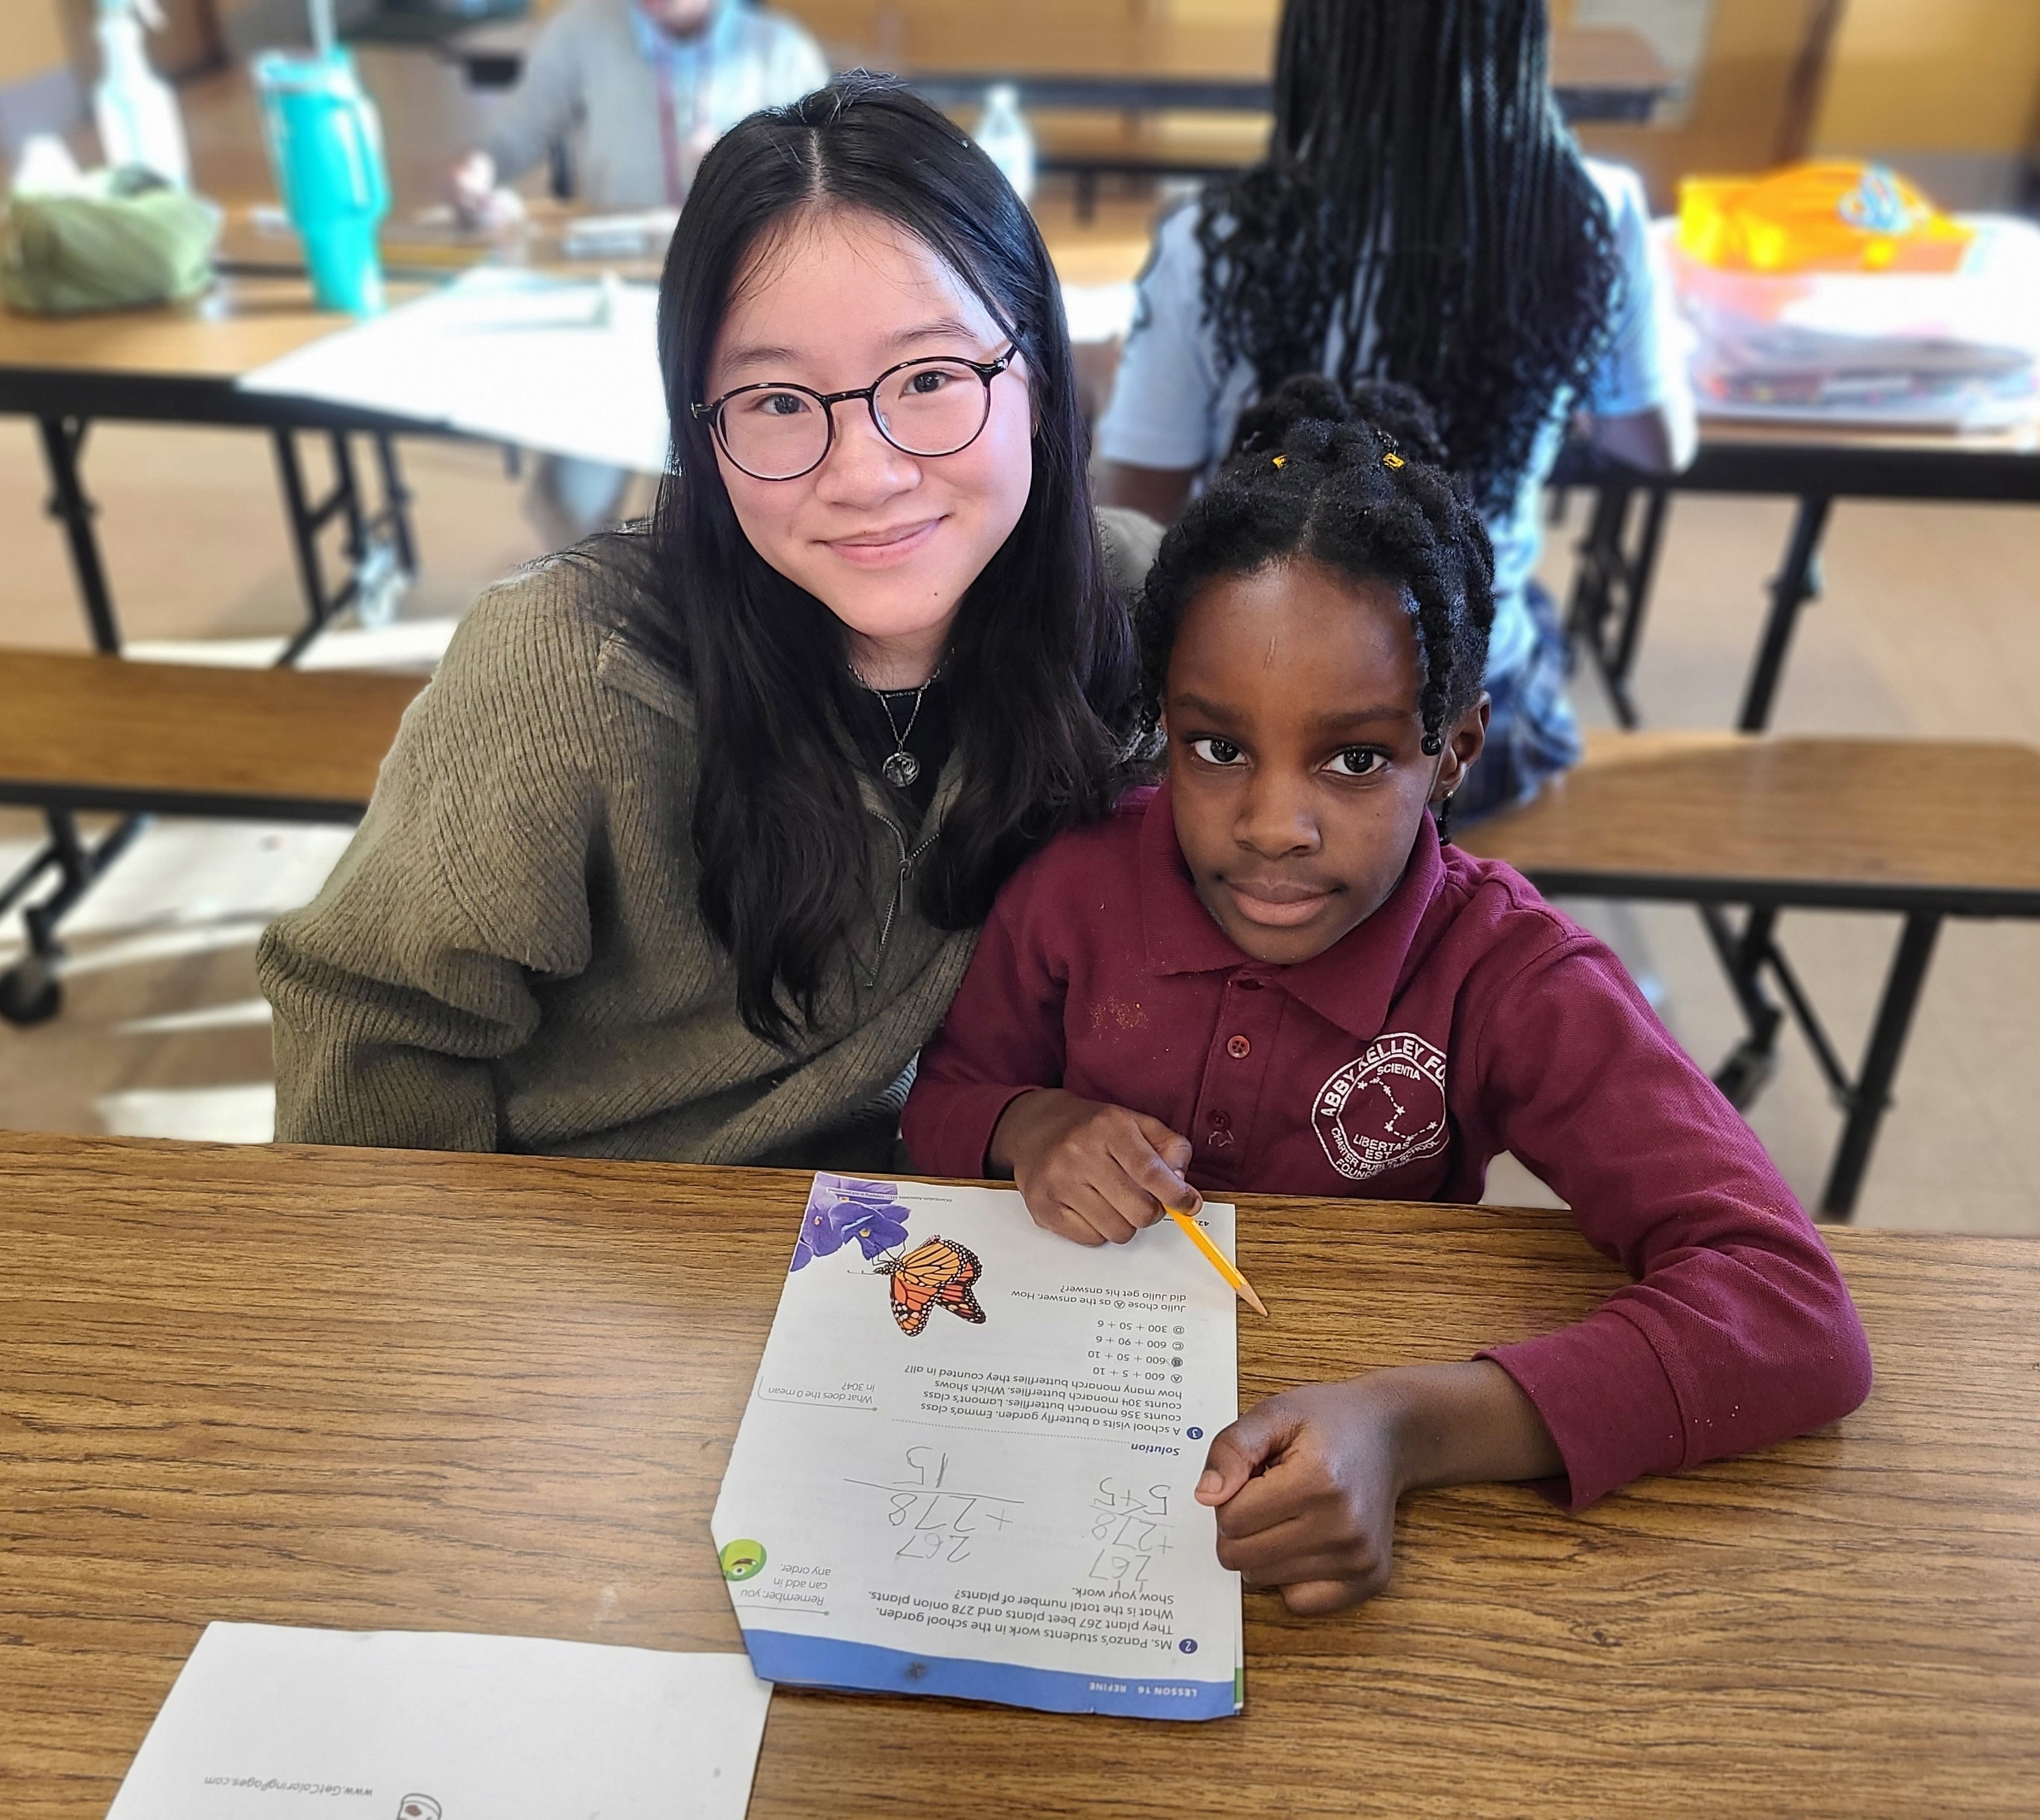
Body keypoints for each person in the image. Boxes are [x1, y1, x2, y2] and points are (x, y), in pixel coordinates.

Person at [901, 379, 1870, 1615]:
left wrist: (1409, 1430)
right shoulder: (1073, 891)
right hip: (1061, 1469)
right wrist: (1025, 1128)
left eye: (1355, 759)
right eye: (1215, 748)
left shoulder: (1507, 975)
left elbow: (1789, 1314)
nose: (1271, 828)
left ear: (1452, 749)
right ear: (1164, 726)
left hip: (1373, 1510)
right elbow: (943, 1100)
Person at [257, 76, 1159, 1166]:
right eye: (778, 401)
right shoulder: (562, 670)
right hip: (607, 1253)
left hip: (960, 1246)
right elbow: (372, 1026)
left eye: (928, 377)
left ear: (1039, 375)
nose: (866, 473)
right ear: (698, 425)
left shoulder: (1140, 611)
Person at [1093, 0, 1697, 821]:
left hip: (1259, 708)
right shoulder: (1596, 212)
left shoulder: (1220, 243)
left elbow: (1135, 508)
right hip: (1471, 716)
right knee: (1520, 615)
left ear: (1316, 39)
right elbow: (1657, 443)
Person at [451, 0, 831, 542]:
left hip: (734, 301)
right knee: (573, 496)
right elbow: (515, 134)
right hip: (613, 296)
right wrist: (476, 175)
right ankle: (587, 591)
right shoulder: (583, 31)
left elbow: (824, 191)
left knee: (716, 496)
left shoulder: (779, 51)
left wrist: (742, 172)